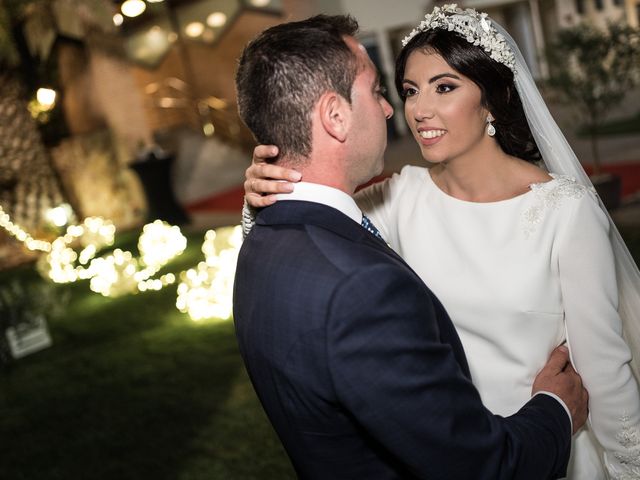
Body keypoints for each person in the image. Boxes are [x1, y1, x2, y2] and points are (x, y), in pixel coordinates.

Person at [241, 5, 640, 479]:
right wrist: (263, 195)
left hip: (548, 450)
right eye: (409, 90)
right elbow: (313, 243)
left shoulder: (565, 212)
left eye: (444, 87)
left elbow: (605, 371)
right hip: (456, 451)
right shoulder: (397, 196)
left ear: (491, 99)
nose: (417, 110)